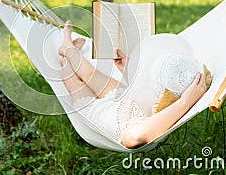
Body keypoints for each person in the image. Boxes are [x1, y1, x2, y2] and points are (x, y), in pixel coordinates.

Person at [58, 20, 209, 149]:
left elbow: (134, 138)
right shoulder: (160, 94)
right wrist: (129, 71)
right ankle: (68, 48)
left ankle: (67, 52)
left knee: (75, 83)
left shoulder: (143, 126)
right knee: (89, 74)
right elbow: (147, 91)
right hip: (127, 99)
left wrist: (186, 102)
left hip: (99, 113)